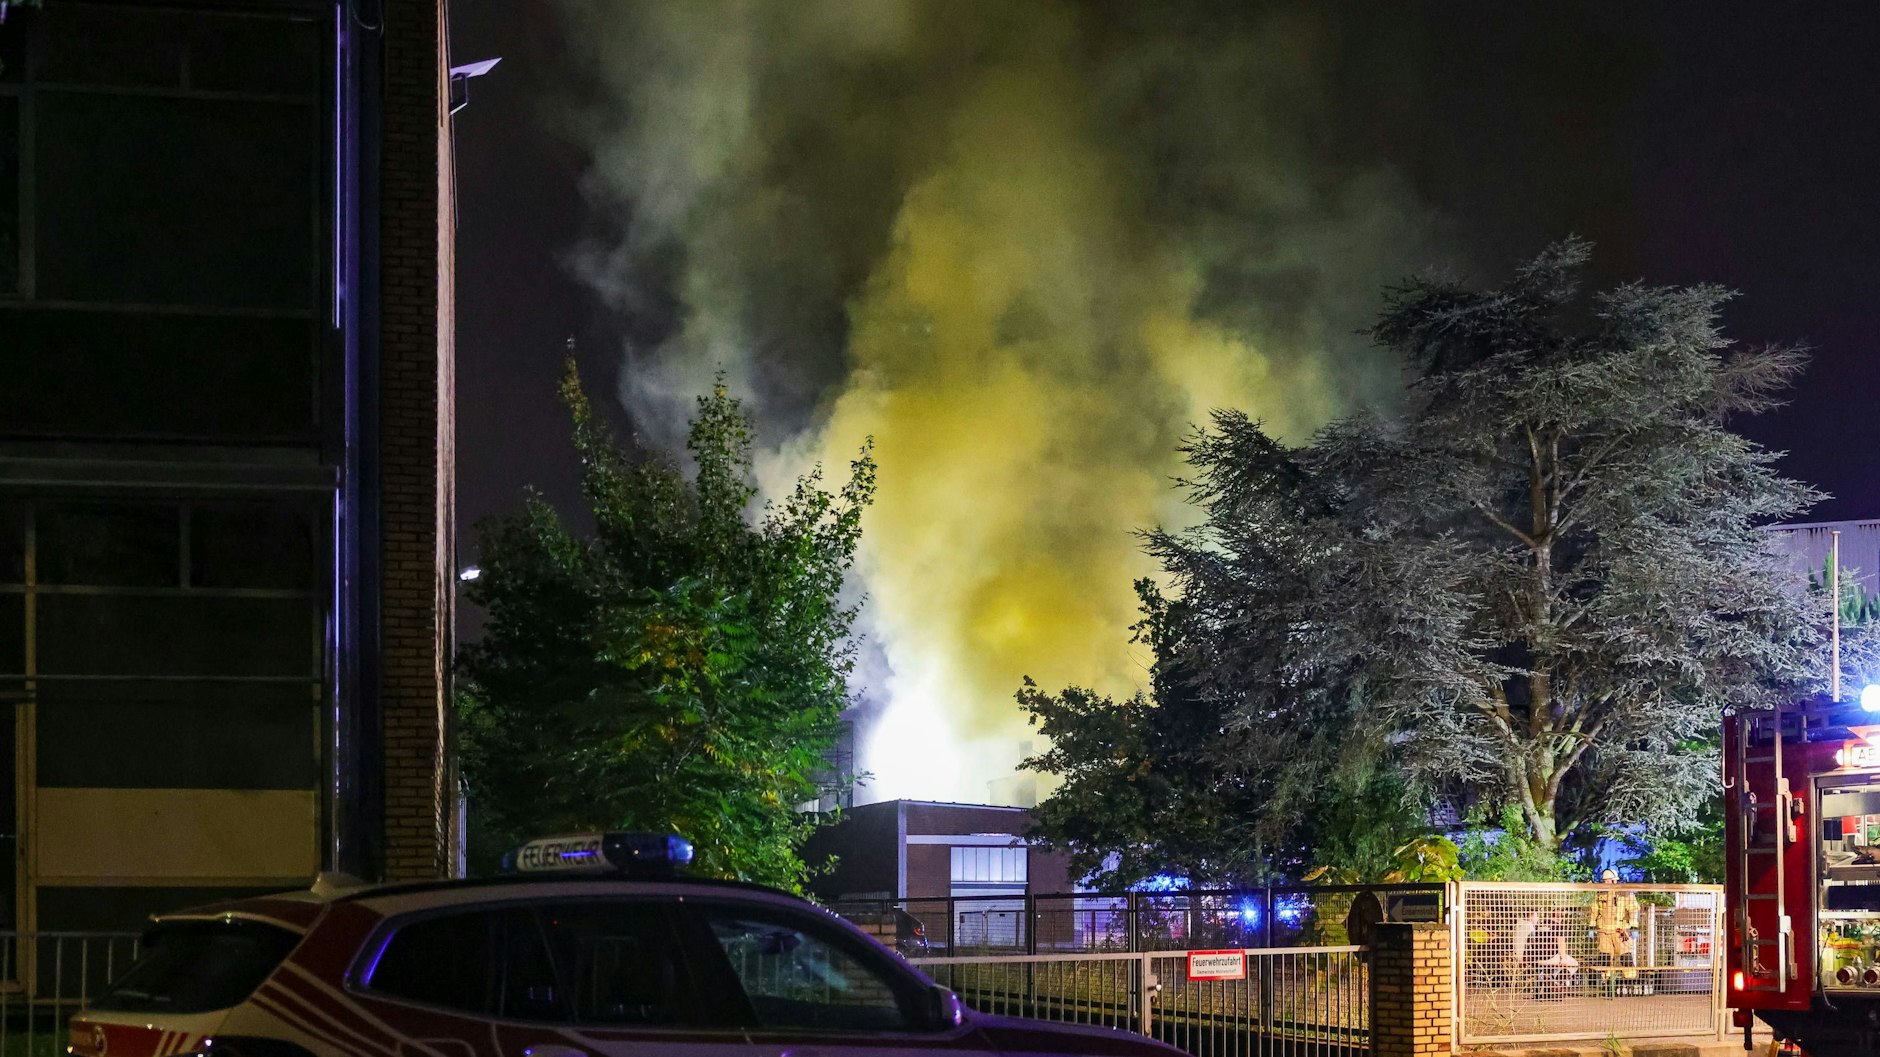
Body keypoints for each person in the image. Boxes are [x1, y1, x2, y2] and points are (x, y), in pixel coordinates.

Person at [1588, 868, 1641, 995]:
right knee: (1604, 956)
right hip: (1604, 930)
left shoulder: (1625, 893)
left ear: (1614, 880)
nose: (1606, 883)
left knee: (1625, 955)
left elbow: (1633, 909)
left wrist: (1633, 926)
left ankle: (1630, 983)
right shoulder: (1600, 893)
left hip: (1620, 930)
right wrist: (1591, 925)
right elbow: (1594, 910)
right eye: (1604, 880)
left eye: (1608, 880)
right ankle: (1606, 983)